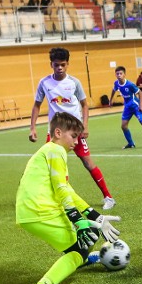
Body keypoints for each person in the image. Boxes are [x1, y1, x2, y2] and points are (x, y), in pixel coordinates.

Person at [16, 112, 121, 284]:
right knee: (79, 248)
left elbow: (68, 191)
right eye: (73, 136)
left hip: (32, 211)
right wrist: (78, 219)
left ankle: (80, 258)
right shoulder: (57, 151)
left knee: (88, 234)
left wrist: (96, 216)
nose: (76, 142)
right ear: (58, 132)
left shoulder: (49, 150)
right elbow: (61, 188)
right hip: (41, 211)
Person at [30, 47, 115, 210]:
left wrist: (85, 126)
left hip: (75, 131)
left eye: (62, 64)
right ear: (51, 64)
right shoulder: (44, 83)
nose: (59, 68)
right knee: (49, 165)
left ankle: (108, 197)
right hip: (56, 132)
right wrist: (32, 128)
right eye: (56, 65)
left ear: (67, 64)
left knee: (88, 162)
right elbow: (36, 105)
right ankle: (51, 198)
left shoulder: (74, 83)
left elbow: (84, 105)